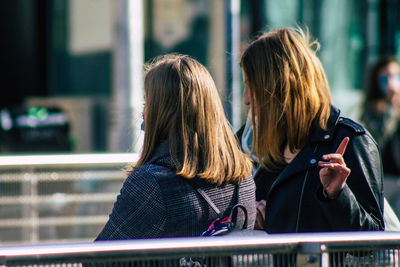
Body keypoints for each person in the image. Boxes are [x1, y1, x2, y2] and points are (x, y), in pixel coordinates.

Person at [237, 27, 385, 233]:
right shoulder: (260, 147)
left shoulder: (349, 140)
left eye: (251, 86)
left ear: (279, 88)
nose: (245, 99)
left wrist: (337, 194)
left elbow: (373, 238)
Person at [96, 54, 256, 240]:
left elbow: (100, 257)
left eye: (148, 102)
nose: (143, 111)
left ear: (160, 112)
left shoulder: (151, 184)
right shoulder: (243, 178)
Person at [360, 56, 400, 176]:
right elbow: (378, 141)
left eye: (395, 76)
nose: (391, 82)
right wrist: (390, 107)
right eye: (385, 77)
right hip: (385, 176)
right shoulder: (373, 110)